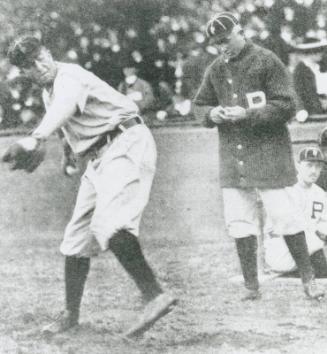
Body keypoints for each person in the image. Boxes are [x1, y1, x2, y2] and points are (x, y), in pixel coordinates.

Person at [3, 35, 177, 337]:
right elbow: (67, 121)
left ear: (49, 52)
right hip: (99, 157)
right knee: (76, 238)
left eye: (41, 56)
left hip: (125, 141)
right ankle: (71, 315)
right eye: (30, 64)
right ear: (25, 72)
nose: (39, 65)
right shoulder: (49, 91)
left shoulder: (69, 76)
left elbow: (65, 108)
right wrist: (67, 154)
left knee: (110, 224)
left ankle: (154, 295)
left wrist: (34, 138)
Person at [193, 12, 324, 301]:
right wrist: (212, 114)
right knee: (239, 221)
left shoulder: (266, 60)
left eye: (226, 41)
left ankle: (308, 278)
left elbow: (288, 104)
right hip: (233, 156)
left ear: (240, 31)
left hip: (268, 155)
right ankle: (252, 285)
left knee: (286, 218)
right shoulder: (215, 69)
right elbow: (199, 105)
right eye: (217, 44)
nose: (222, 48)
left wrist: (249, 114)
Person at [265, 147, 327, 278]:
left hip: (308, 249)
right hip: (281, 248)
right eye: (309, 165)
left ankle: (303, 273)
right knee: (313, 242)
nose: (314, 171)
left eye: (318, 166)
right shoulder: (286, 190)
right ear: (298, 166)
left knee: (315, 241)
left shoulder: (321, 194)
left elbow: (323, 227)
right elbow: (272, 229)